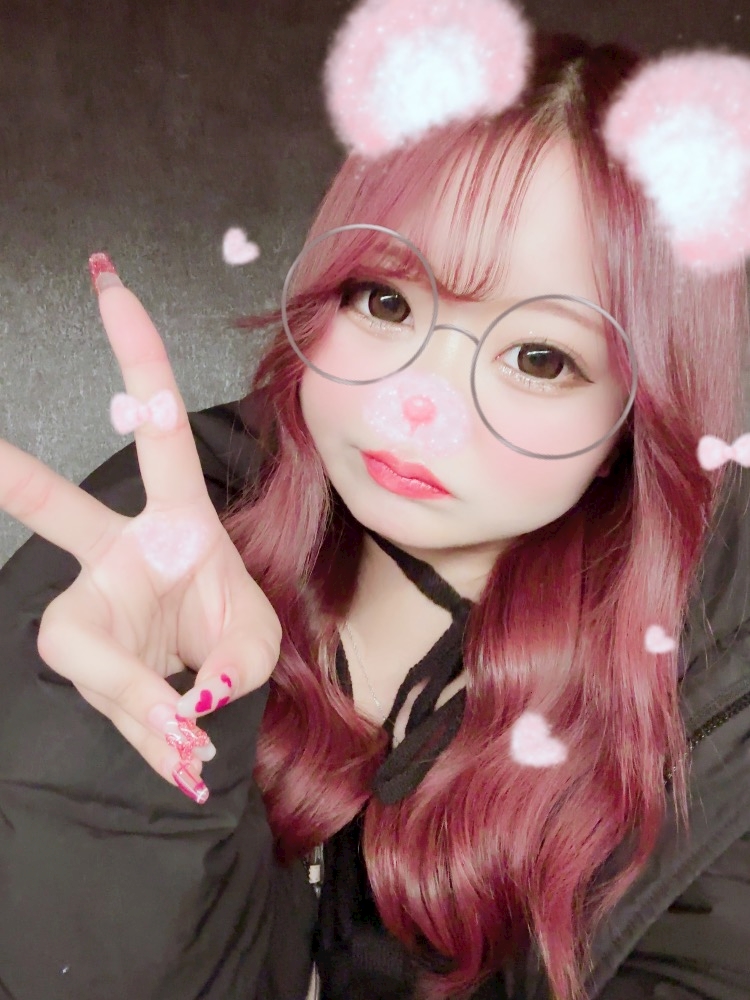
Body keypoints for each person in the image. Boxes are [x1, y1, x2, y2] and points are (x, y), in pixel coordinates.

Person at [0, 17, 749, 1000]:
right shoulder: (157, 535)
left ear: (637, 414)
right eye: (388, 303)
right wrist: (125, 759)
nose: (415, 405)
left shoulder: (714, 683)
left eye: (539, 358)